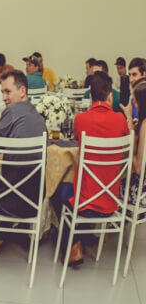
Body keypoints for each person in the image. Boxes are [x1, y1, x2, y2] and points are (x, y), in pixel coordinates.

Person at [51, 72, 129, 267]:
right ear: (110, 96)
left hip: (84, 201)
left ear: (91, 96)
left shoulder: (81, 119)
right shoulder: (120, 120)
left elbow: (77, 140)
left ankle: (74, 244)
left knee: (56, 189)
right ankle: (80, 240)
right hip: (111, 201)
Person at [0, 70, 47, 256]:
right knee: (17, 181)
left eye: (7, 92)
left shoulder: (11, 111)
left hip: (8, 201)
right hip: (35, 199)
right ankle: (12, 234)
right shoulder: (38, 116)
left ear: (22, 91)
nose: (4, 97)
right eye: (2, 92)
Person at [120, 80, 146, 208]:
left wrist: (129, 118)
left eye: (135, 102)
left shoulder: (145, 125)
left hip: (142, 192)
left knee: (114, 185)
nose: (134, 105)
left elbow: (138, 168)